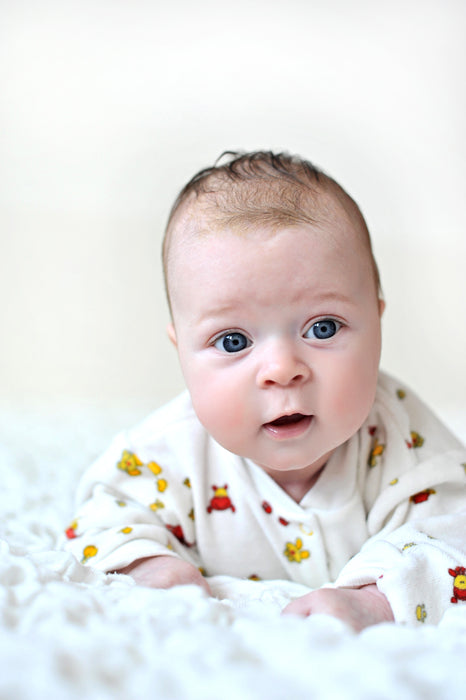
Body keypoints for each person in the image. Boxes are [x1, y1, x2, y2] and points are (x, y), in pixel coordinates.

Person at [64, 151, 466, 631]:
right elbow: (99, 521)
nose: (281, 370)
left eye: (322, 328)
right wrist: (148, 566)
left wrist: (375, 600)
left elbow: (452, 536)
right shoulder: (167, 454)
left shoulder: (406, 442)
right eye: (233, 341)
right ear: (183, 353)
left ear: (377, 322)